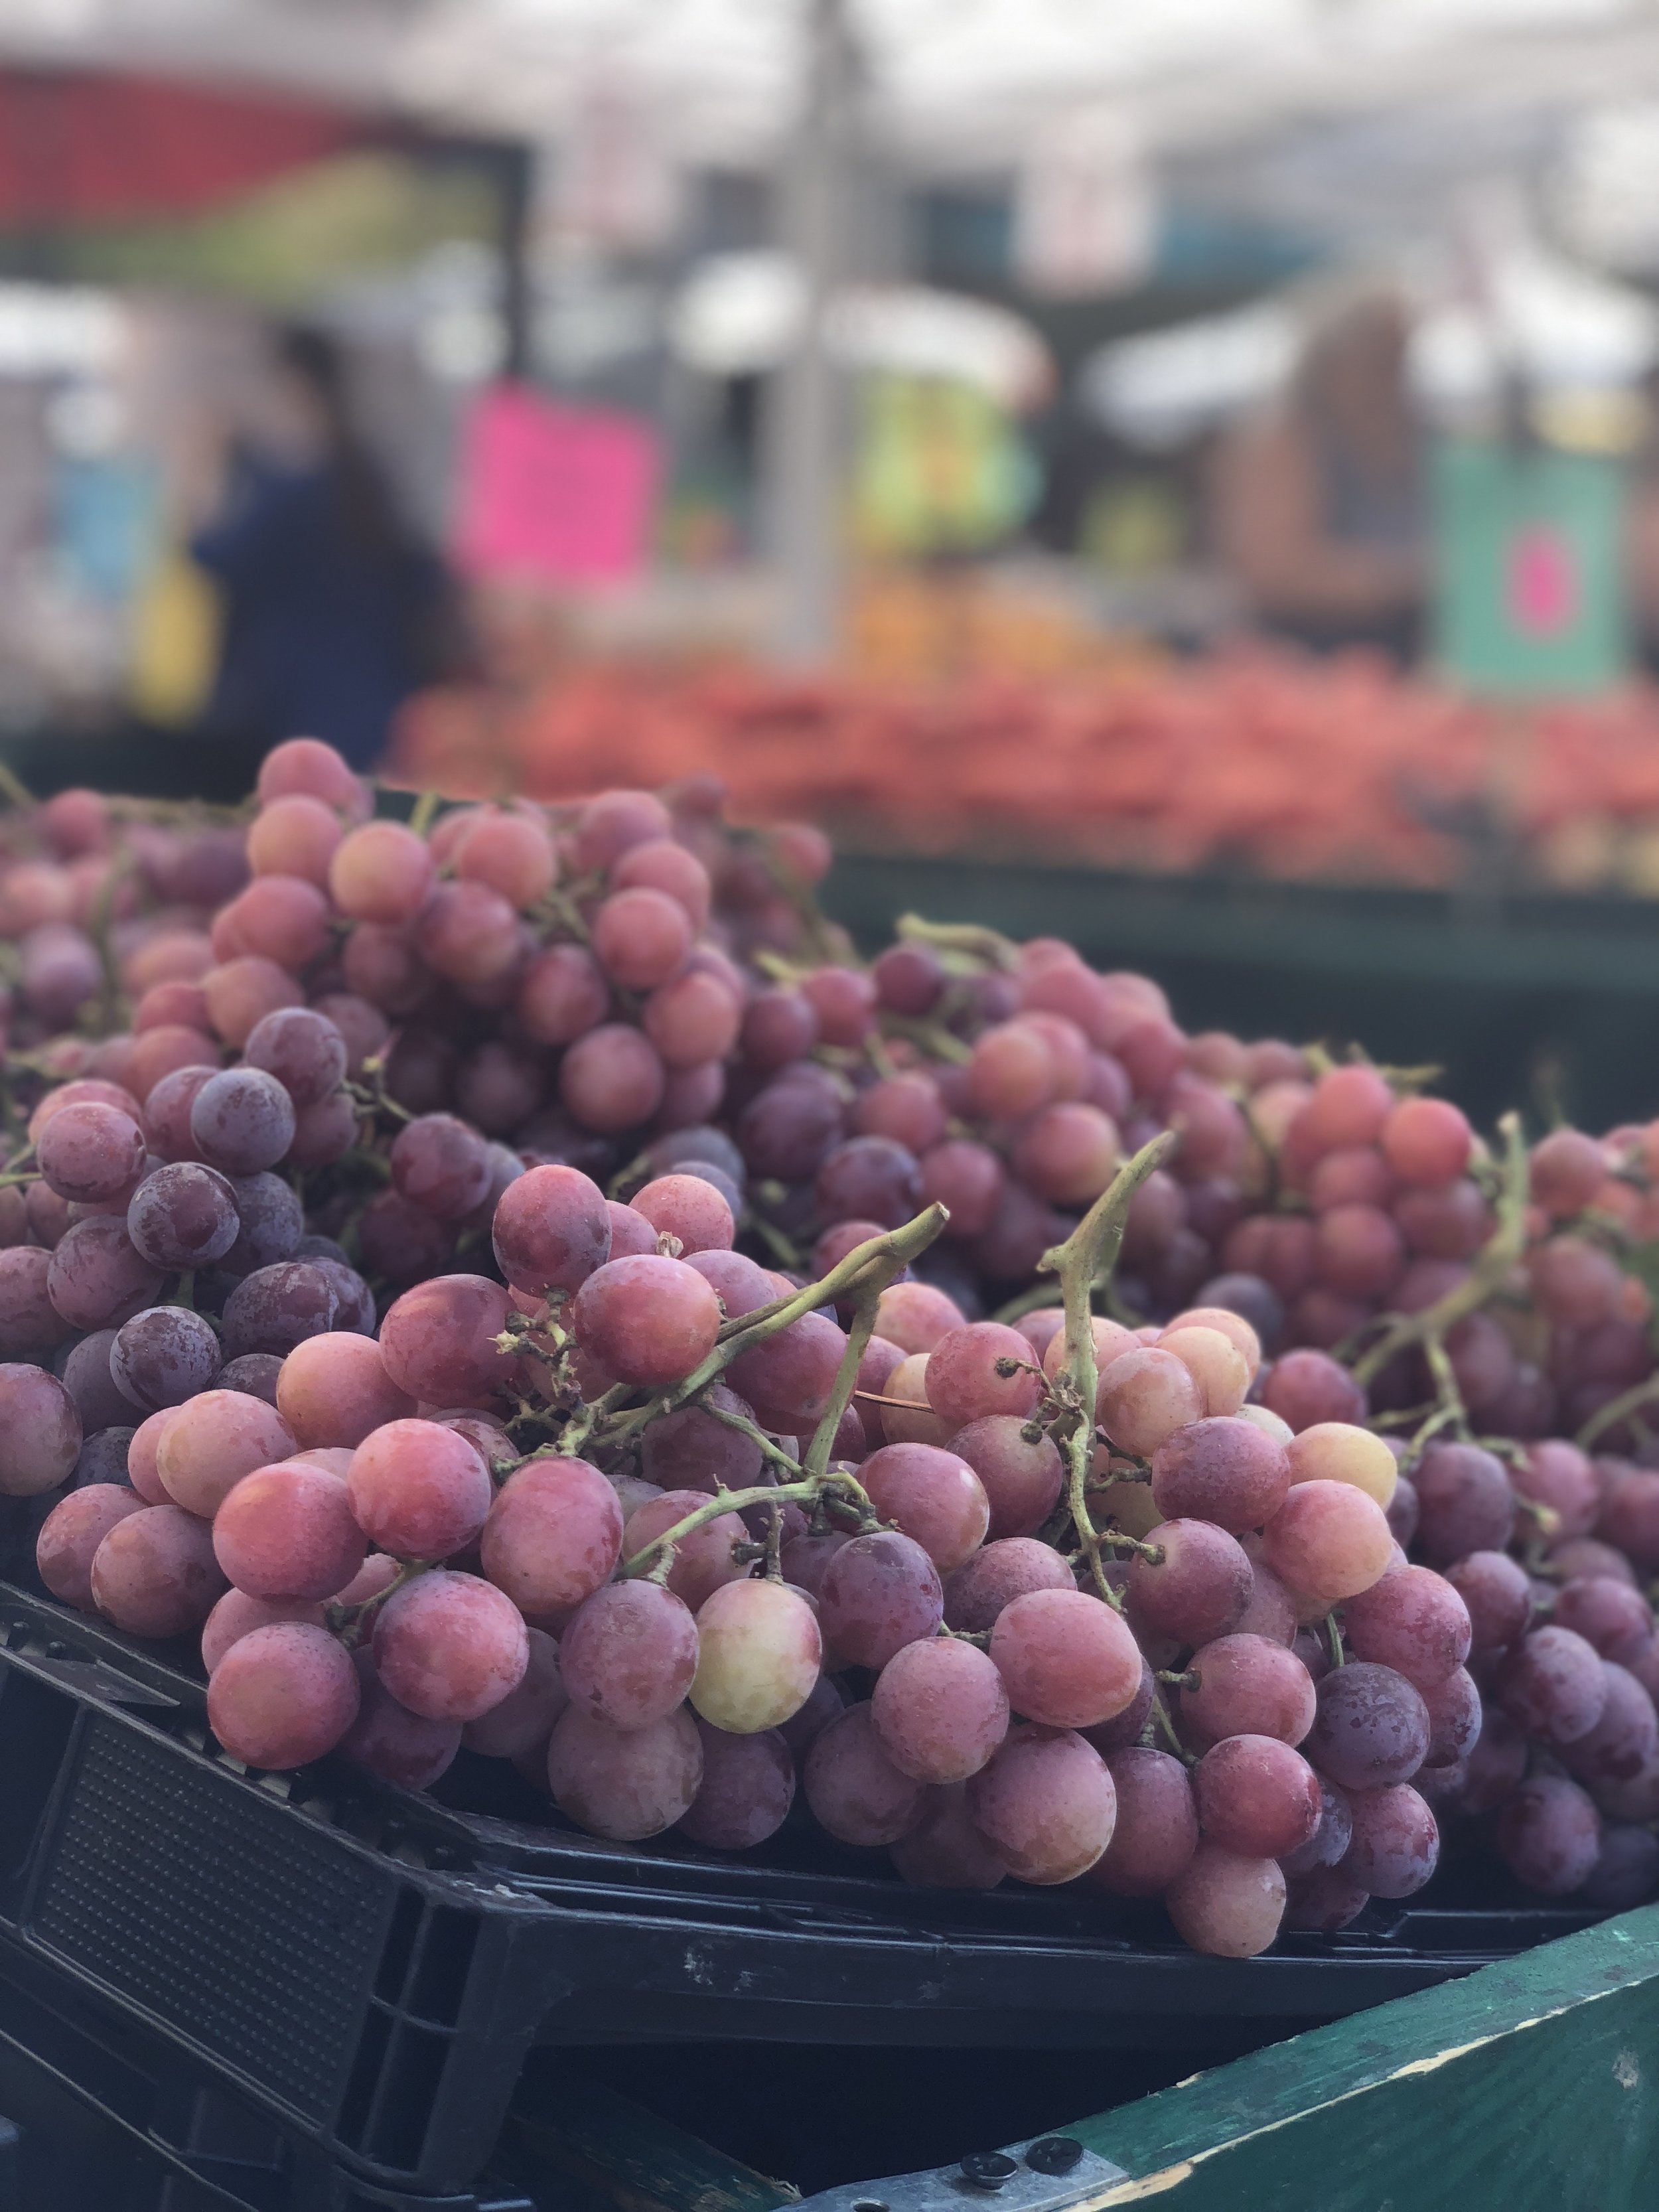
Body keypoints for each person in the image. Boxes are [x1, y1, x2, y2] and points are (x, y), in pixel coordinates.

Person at [188, 326, 460, 771]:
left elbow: (216, 559)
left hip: (299, 709)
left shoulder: (293, 488)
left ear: (291, 383)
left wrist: (202, 474)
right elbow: (425, 580)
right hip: (381, 702)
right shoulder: (368, 475)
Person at [1212, 289, 1427, 660]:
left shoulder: (1417, 440)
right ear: (1333, 363)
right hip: (1303, 663)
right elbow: (1275, 573)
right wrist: (1406, 578)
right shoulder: (1284, 440)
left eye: (1401, 361)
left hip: (1395, 666)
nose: (1392, 379)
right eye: (1380, 361)